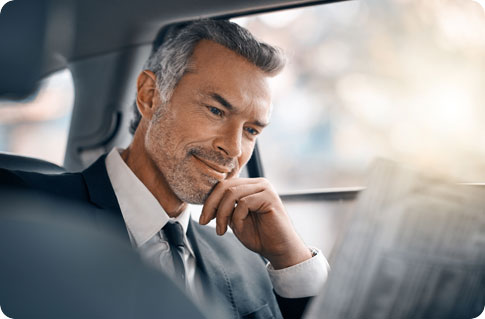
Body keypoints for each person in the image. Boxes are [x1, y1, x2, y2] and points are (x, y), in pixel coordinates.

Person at [0, 20, 328, 318]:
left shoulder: (244, 256)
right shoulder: (20, 205)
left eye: (251, 131)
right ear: (150, 96)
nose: (234, 148)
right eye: (216, 110)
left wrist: (290, 258)